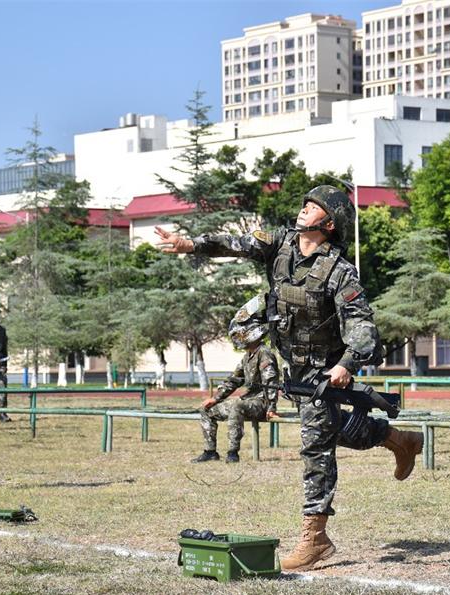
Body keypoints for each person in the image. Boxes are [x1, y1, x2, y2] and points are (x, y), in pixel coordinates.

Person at [156, 185, 423, 571]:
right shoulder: (280, 244)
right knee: (334, 431)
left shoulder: (339, 272)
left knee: (316, 444)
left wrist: (347, 363)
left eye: (314, 207)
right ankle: (398, 439)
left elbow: (364, 327)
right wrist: (189, 244)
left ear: (329, 224)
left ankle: (316, 539)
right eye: (305, 204)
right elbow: (236, 242)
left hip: (325, 373)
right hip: (295, 368)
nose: (304, 210)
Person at [193, 298, 281, 464]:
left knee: (236, 405)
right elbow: (234, 380)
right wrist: (215, 399)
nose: (238, 336)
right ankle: (210, 451)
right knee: (206, 410)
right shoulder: (248, 356)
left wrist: (272, 408)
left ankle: (233, 452)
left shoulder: (264, 353)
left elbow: (271, 382)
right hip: (248, 401)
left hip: (261, 403)